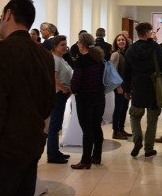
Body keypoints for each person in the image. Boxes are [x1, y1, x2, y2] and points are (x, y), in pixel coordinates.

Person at [0, 0, 56, 196]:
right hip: (32, 144)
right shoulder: (45, 55)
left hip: (5, 148)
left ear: (7, 14)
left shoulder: (3, 50)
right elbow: (49, 104)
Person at [122, 22, 162, 158]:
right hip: (155, 89)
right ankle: (149, 148)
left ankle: (137, 140)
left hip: (137, 88)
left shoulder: (131, 50)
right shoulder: (156, 48)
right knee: (152, 119)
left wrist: (127, 90)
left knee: (135, 115)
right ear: (146, 34)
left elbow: (126, 73)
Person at [70, 33, 105, 169]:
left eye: (78, 43)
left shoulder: (81, 61)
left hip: (85, 99)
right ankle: (96, 156)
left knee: (87, 130)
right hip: (99, 97)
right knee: (96, 127)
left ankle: (85, 160)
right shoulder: (98, 58)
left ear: (81, 44)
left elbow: (75, 82)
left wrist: (74, 90)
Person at [47, 35, 72, 164]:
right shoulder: (55, 59)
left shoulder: (62, 59)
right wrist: (63, 89)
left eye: (65, 44)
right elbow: (53, 79)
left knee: (57, 124)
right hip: (58, 94)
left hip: (62, 93)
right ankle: (51, 154)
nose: (64, 46)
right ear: (55, 46)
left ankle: (55, 151)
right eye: (62, 44)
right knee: (54, 124)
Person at [110, 33, 132, 140]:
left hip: (126, 86)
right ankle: (115, 131)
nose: (121, 42)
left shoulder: (126, 53)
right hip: (119, 86)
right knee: (118, 108)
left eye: (122, 40)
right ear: (116, 43)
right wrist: (118, 86)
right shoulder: (116, 54)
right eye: (118, 40)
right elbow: (112, 72)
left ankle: (121, 128)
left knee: (124, 108)